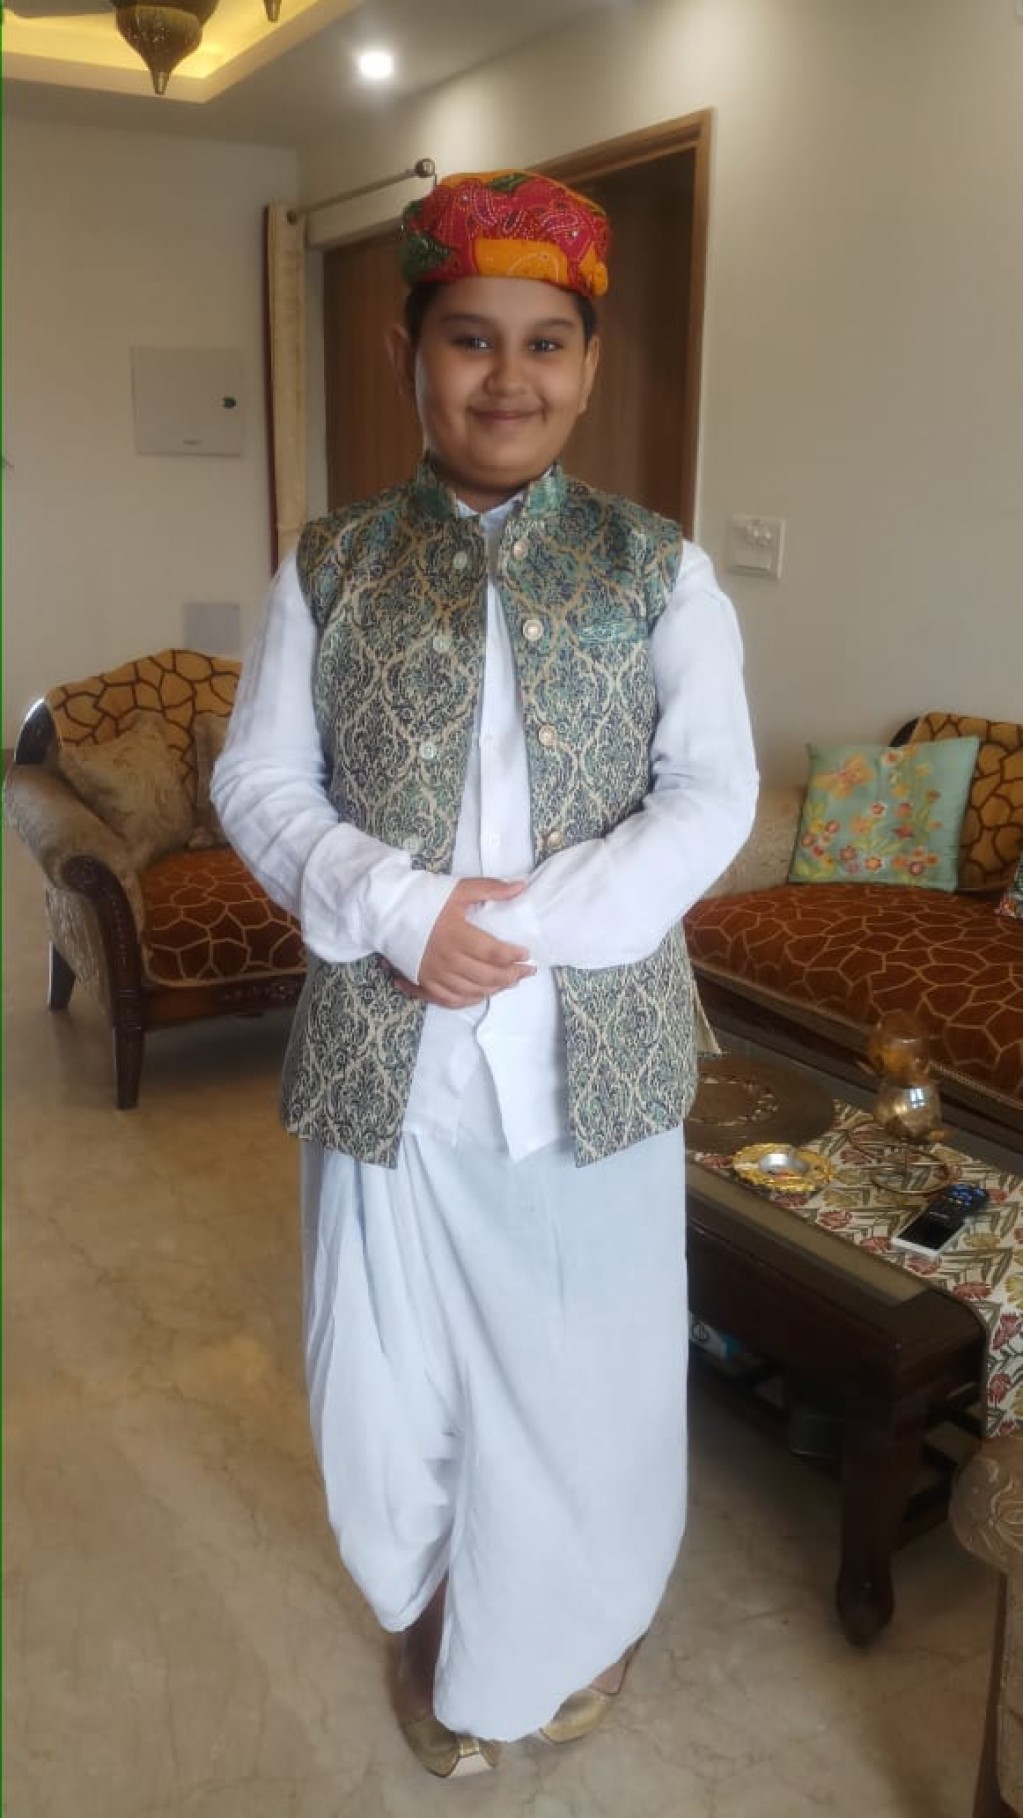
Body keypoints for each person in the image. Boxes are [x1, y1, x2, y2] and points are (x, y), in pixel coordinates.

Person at [212, 168, 758, 1779]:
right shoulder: (329, 566)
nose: (507, 377)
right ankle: (436, 1606)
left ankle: (567, 1621)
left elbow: (710, 794)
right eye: (470, 338)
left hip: (591, 1056)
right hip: (390, 1053)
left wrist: (527, 925)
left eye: (544, 343)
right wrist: (399, 908)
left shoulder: (660, 569)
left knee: (590, 1369)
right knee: (395, 1377)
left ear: (589, 366)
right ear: (408, 354)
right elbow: (260, 781)